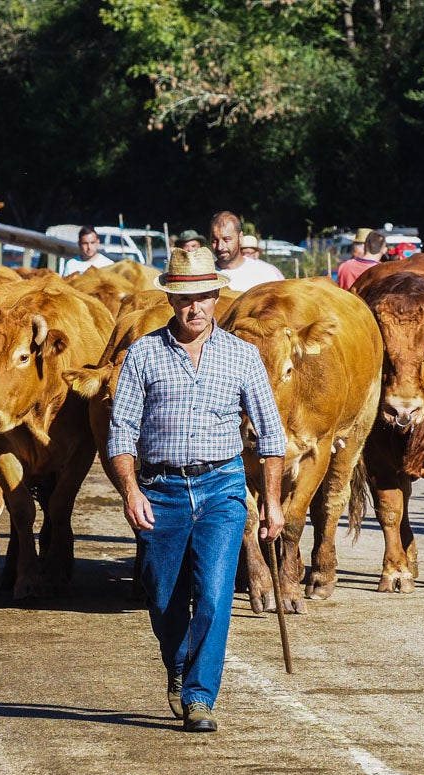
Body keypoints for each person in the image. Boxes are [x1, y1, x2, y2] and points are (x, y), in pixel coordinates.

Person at [107, 246, 286, 733]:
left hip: (221, 487)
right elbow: (121, 433)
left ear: (216, 298)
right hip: (160, 488)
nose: (195, 307)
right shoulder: (143, 353)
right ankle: (180, 662)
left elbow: (271, 435)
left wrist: (270, 501)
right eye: (185, 298)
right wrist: (130, 491)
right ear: (170, 299)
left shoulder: (242, 356)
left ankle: (200, 695)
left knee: (213, 593)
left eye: (204, 297)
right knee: (163, 595)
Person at [208, 211, 283, 292]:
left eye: (227, 240)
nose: (220, 247)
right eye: (214, 241)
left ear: (240, 238)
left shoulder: (265, 274)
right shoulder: (204, 277)